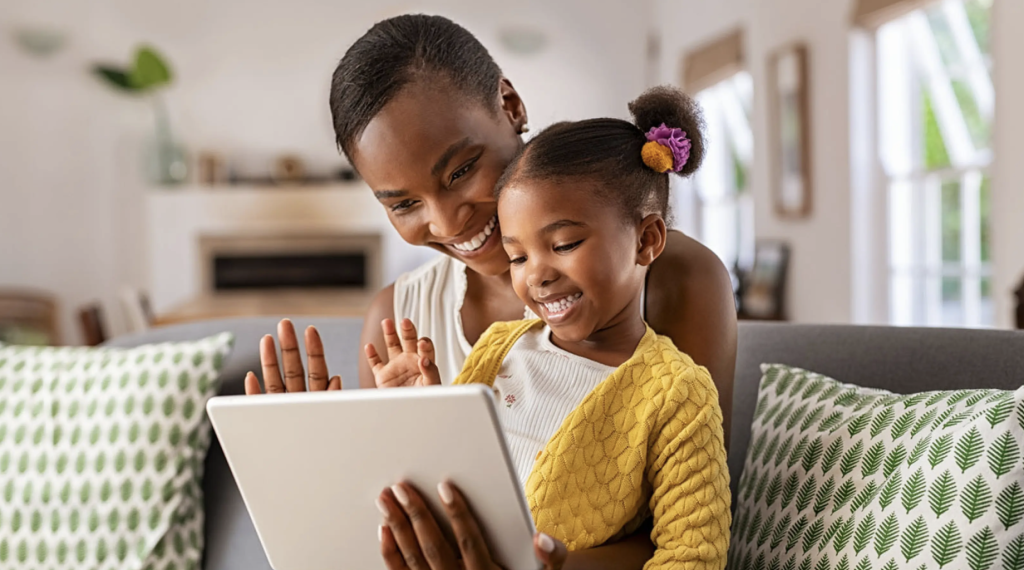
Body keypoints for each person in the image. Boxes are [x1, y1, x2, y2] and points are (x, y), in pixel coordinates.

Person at [244, 14, 737, 570]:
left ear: (511, 105)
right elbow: (395, 536)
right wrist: (319, 473)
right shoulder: (398, 319)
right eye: (404, 204)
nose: (448, 221)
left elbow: (688, 527)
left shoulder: (678, 278)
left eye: (460, 171)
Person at [367, 86, 731, 570]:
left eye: (563, 245)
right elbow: (453, 484)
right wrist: (429, 411)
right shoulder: (499, 347)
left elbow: (694, 555)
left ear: (646, 240)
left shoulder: (678, 393)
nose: (535, 274)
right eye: (517, 256)